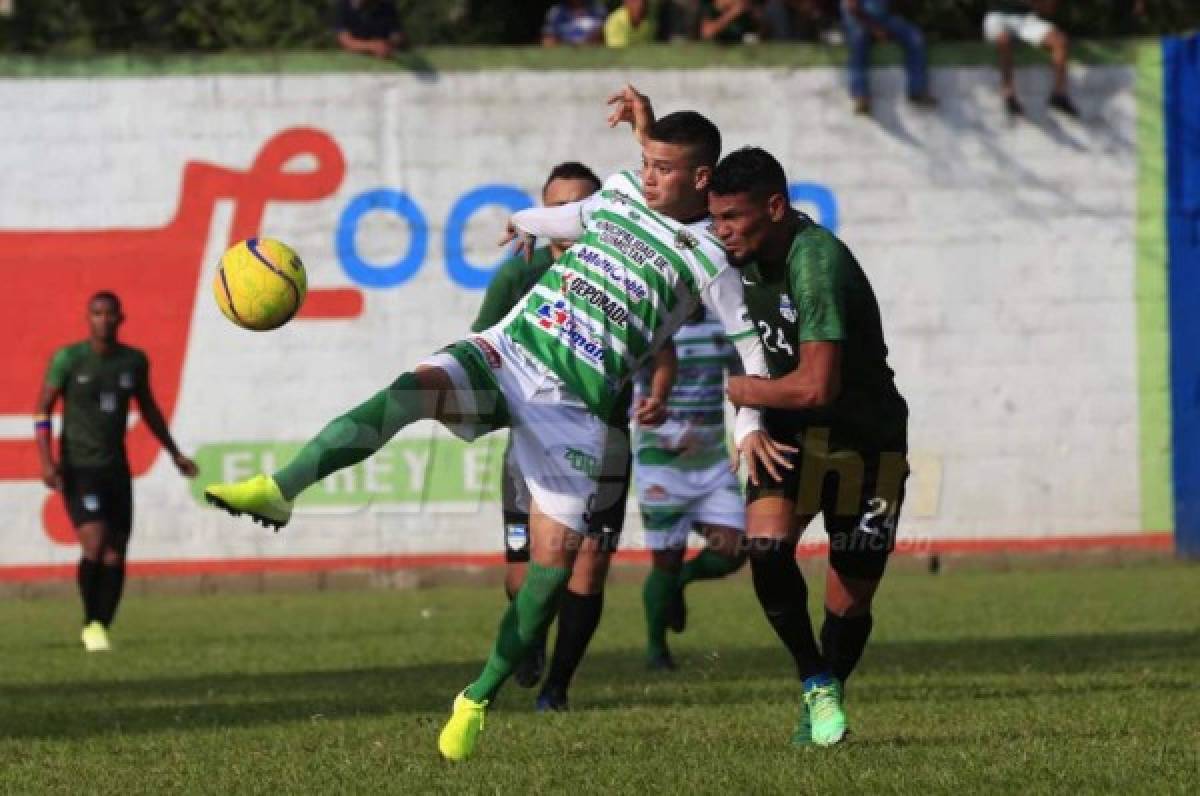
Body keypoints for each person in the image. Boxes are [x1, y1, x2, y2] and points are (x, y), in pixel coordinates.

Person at [204, 93, 789, 762]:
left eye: (662, 167)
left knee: (551, 571)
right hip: (511, 353)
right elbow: (565, 213)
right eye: (645, 161)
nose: (648, 174)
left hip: (574, 408)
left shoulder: (710, 260)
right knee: (408, 393)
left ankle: (476, 697)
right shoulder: (623, 192)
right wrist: (524, 220)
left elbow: (753, 353)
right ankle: (280, 488)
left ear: (702, 179)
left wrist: (748, 424)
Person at [709, 147, 909, 747]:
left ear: (774, 207)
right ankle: (816, 682)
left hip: (868, 445)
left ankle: (828, 691)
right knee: (766, 550)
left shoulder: (815, 262)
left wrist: (741, 390)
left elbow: (819, 384)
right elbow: (667, 188)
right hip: (792, 437)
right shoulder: (739, 245)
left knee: (848, 599)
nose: (720, 232)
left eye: (731, 219)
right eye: (714, 219)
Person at [470, 161, 674, 710]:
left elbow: (662, 343)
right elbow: (482, 345)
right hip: (531, 443)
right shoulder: (519, 272)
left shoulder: (623, 269)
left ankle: (559, 686)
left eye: (578, 206)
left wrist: (657, 390)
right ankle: (529, 638)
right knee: (525, 576)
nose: (567, 218)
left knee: (587, 568)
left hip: (602, 443)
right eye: (557, 207)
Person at [35, 292, 198, 652]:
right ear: (88, 318)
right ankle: (90, 622)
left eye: (110, 314)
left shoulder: (132, 362)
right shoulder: (70, 359)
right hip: (79, 466)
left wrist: (174, 453)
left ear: (121, 318)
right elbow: (43, 408)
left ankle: (100, 624)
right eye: (96, 313)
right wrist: (47, 460)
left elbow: (150, 410)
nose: (103, 320)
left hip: (115, 468)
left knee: (116, 552)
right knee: (94, 542)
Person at [635, 307, 747, 671]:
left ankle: (682, 581)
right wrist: (670, 431)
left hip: (711, 459)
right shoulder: (649, 329)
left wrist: (749, 427)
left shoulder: (722, 324)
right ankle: (656, 650)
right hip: (661, 460)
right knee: (665, 558)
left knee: (736, 548)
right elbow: (635, 398)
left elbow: (742, 380)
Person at [840, 0, 937, 115]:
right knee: (858, 43)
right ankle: (861, 96)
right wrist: (874, 28)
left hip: (884, 19)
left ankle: (917, 90)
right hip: (858, 22)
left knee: (915, 38)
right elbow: (851, 7)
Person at [983, 1, 1077, 117]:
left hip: (1026, 19)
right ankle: (1008, 93)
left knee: (1060, 42)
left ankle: (1059, 95)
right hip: (997, 16)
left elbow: (1046, 9)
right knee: (1003, 41)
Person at [334, 0, 407, 59]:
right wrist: (372, 46)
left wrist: (390, 44)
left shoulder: (387, 6)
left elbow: (397, 34)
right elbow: (345, 41)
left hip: (384, 60)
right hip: (353, 60)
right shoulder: (343, 6)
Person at [541, 1, 607, 47]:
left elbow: (603, 36)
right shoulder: (556, 12)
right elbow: (548, 40)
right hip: (564, 52)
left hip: (592, 51)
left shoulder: (598, 10)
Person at [699, 0, 766, 44]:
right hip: (719, 47)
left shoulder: (748, 6)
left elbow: (761, 33)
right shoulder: (710, 6)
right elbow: (707, 33)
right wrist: (732, 13)